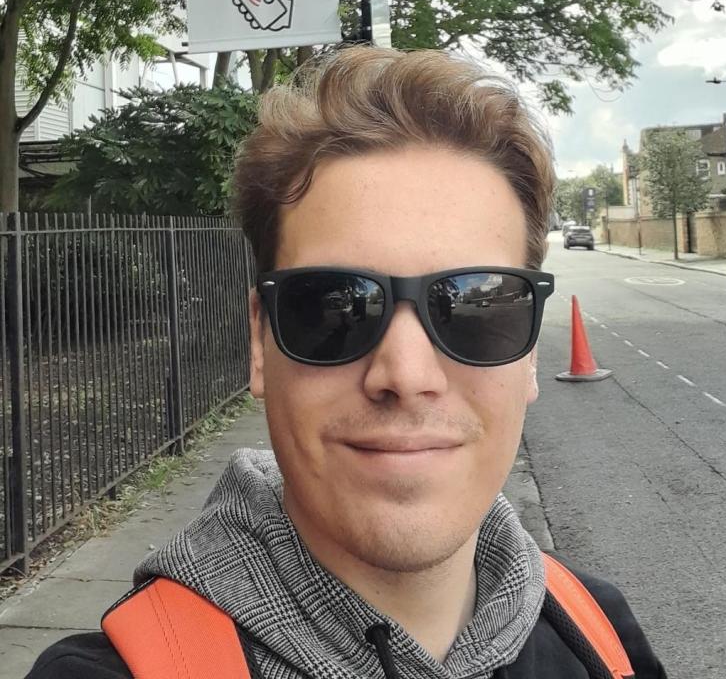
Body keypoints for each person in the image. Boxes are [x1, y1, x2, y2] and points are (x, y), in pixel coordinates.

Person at [26, 46, 666, 678]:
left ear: (528, 354)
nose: (407, 376)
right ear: (260, 341)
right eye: (335, 308)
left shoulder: (602, 639)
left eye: (476, 307)